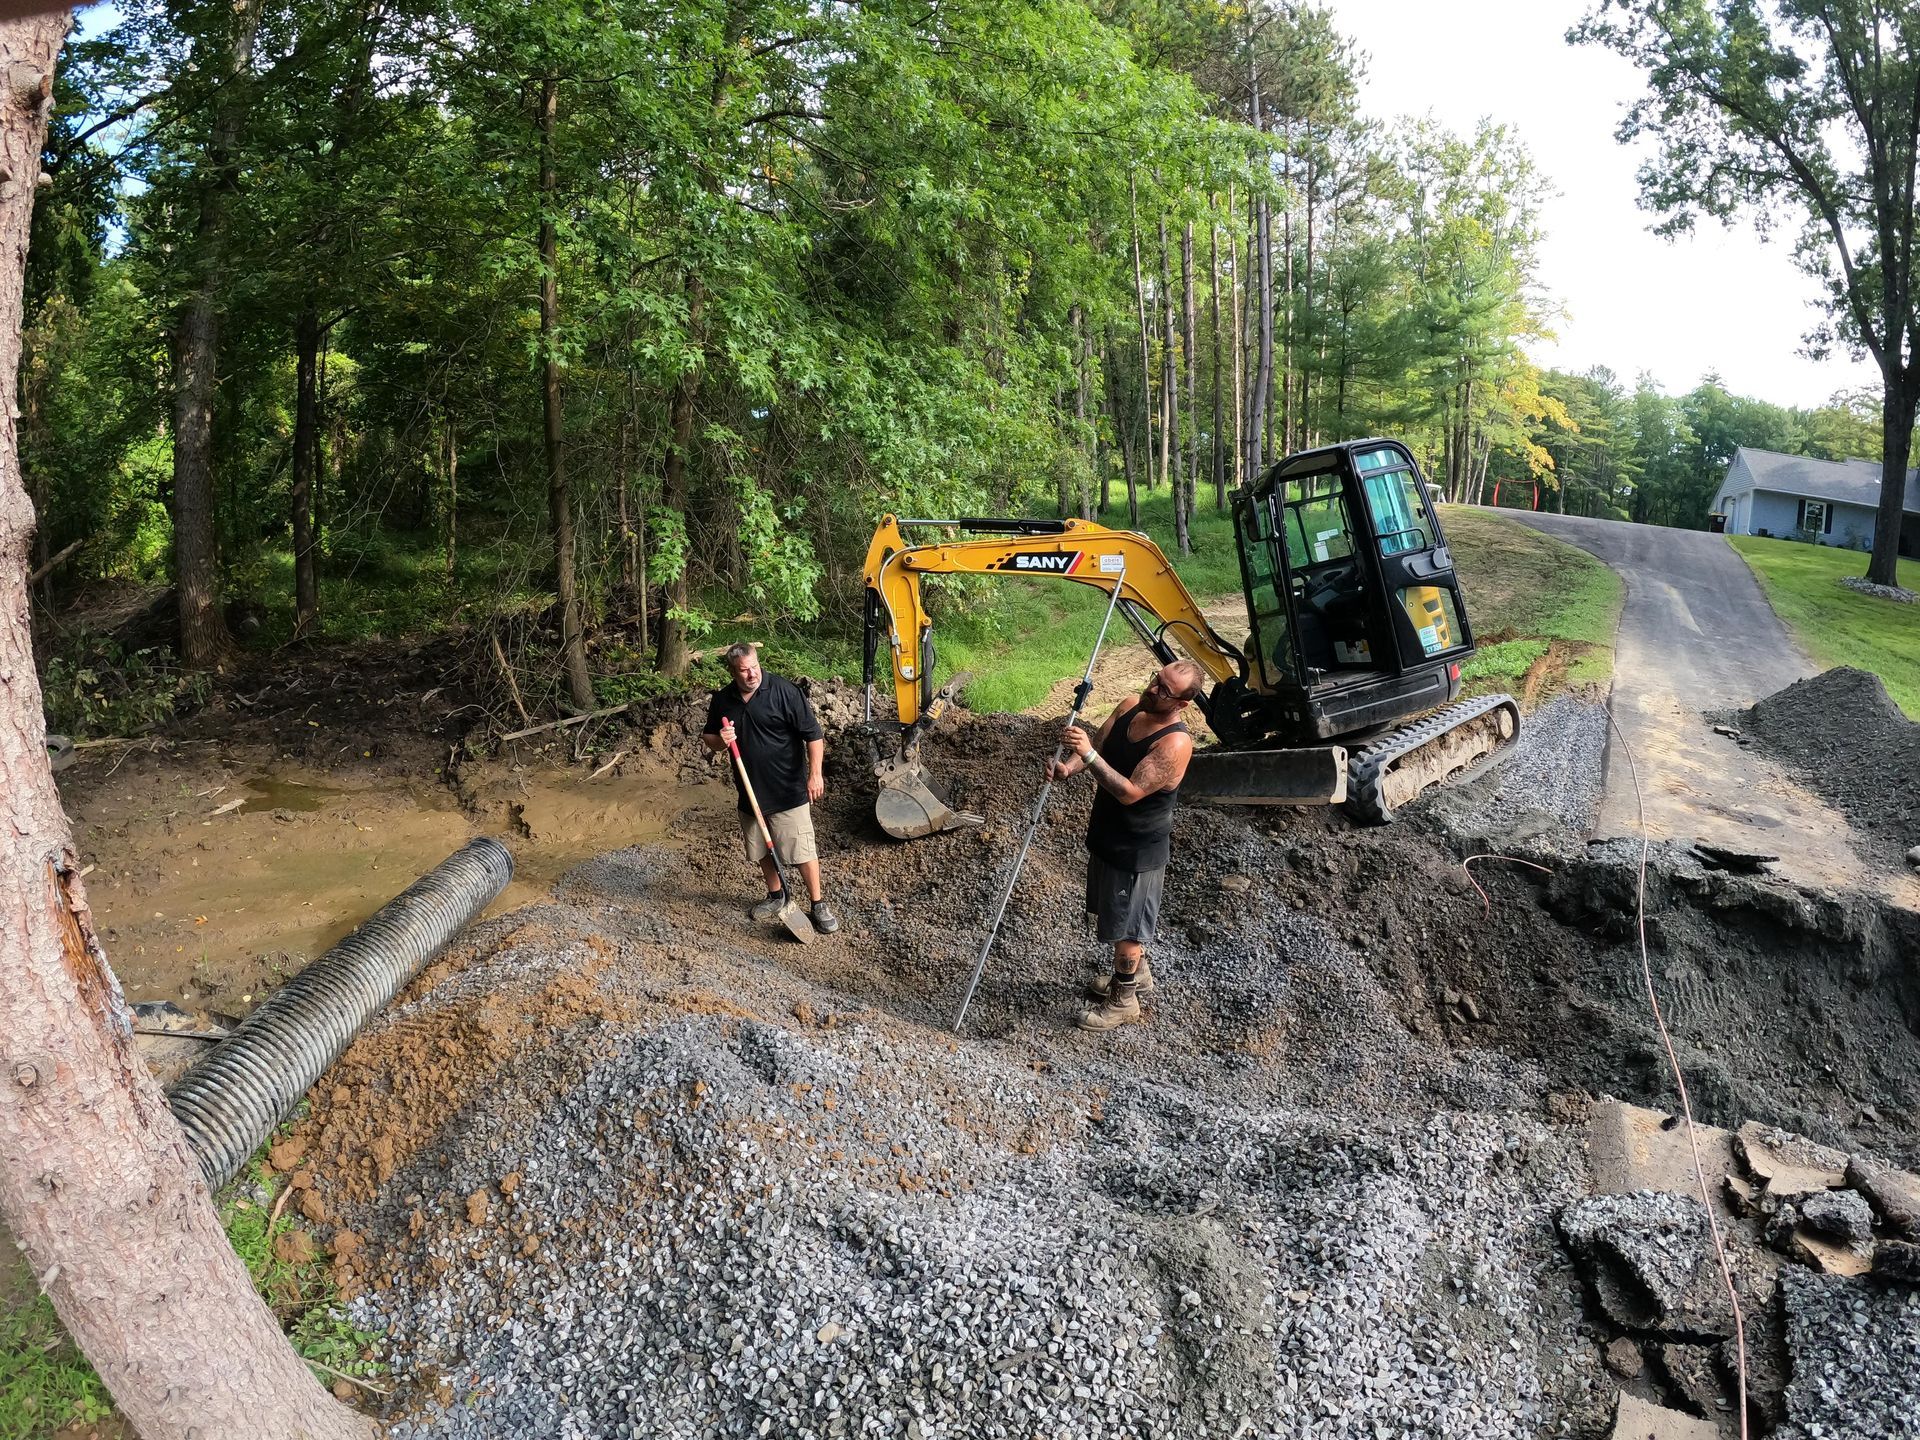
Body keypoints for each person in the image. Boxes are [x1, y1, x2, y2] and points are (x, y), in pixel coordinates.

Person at [1045, 659, 1205, 1031]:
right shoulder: (1129, 705)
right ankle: (1138, 977)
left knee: (1128, 932)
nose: (1153, 690)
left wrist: (1087, 755)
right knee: (1112, 914)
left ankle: (1124, 1000)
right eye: (1156, 680)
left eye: (1165, 691)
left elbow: (1131, 792)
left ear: (1182, 704)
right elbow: (1099, 746)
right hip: (1107, 834)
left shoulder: (1175, 743)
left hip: (1137, 850)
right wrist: (1070, 766)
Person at [701, 643, 840, 934]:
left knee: (802, 849)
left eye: (755, 667)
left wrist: (815, 774)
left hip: (788, 789)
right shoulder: (724, 700)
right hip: (750, 792)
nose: (752, 674)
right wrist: (722, 740)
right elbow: (709, 738)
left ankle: (818, 903)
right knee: (763, 849)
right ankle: (777, 896)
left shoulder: (784, 691)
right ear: (733, 671)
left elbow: (813, 736)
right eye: (744, 670)